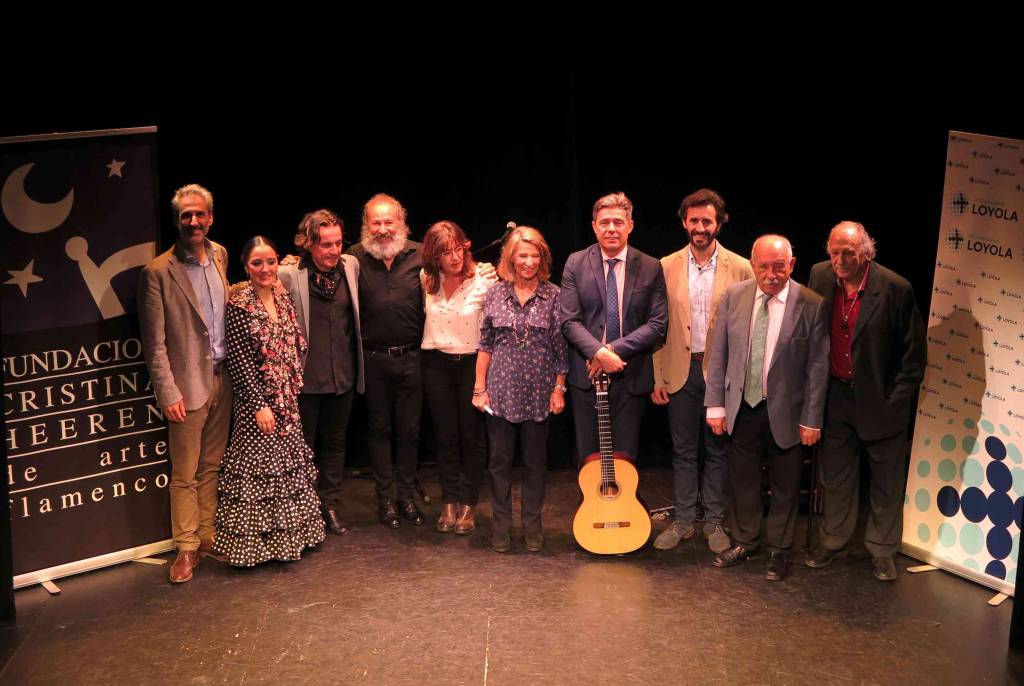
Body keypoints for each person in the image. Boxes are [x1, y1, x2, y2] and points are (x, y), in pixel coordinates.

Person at [804, 221, 926, 581]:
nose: (840, 260)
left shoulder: (894, 288)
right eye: (834, 252)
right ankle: (835, 540)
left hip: (880, 399)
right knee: (837, 476)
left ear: (866, 253)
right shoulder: (820, 275)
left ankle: (882, 550)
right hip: (836, 395)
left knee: (886, 480)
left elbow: (914, 357)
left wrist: (895, 401)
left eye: (849, 253)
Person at [705, 235, 829, 581]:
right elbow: (720, 354)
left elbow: (818, 368)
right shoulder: (735, 295)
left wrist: (812, 419)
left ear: (791, 264)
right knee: (742, 479)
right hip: (742, 405)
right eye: (764, 266)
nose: (771, 274)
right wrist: (715, 404)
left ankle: (779, 549)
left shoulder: (812, 303)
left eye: (779, 266)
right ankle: (746, 540)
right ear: (753, 264)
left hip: (788, 411)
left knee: (786, 483)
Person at [138, 183, 232, 583]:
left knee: (212, 465)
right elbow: (154, 342)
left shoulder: (221, 255)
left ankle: (208, 536)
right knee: (185, 472)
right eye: (186, 216)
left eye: (199, 214)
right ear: (177, 221)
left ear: (210, 217)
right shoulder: (158, 272)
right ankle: (186, 547)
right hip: (186, 386)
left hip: (222, 378)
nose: (193, 221)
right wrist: (168, 392)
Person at [651, 189, 753, 553]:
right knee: (682, 450)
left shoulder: (741, 267)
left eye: (706, 221)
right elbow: (657, 324)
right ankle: (683, 519)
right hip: (680, 369)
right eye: (693, 220)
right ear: (684, 223)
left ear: (719, 223)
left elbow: (746, 326)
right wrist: (657, 374)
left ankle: (713, 520)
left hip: (720, 374)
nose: (700, 227)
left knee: (717, 449)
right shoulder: (665, 265)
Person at [213, 236, 325, 566]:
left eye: (271, 261)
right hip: (257, 405)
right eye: (257, 263)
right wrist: (259, 404)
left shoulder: (282, 295)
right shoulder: (238, 306)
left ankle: (289, 538)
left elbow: (293, 344)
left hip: (287, 400)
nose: (266, 269)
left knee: (286, 469)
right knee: (259, 473)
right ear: (246, 267)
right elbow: (240, 362)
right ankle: (256, 548)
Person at [473, 227, 568, 553]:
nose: (528, 261)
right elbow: (485, 344)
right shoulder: (495, 294)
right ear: (510, 258)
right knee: (499, 464)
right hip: (499, 393)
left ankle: (532, 524)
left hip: (539, 394)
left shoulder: (554, 295)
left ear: (542, 258)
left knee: (535, 465)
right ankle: (500, 526)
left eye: (534, 255)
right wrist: (478, 388)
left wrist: (559, 389)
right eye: (522, 255)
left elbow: (560, 348)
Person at [560, 192, 667, 466]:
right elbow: (569, 320)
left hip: (630, 376)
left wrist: (609, 351)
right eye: (604, 222)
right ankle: (592, 510)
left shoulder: (651, 266)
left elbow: (657, 325)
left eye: (618, 222)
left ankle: (622, 510)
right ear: (594, 226)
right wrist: (596, 352)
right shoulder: (575, 263)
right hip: (587, 376)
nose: (611, 228)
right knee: (590, 460)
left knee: (624, 460)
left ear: (630, 225)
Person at [279, 209, 364, 536]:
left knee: (335, 443)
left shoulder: (350, 267)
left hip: (341, 374)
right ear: (309, 245)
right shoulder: (290, 274)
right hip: (306, 379)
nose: (333, 251)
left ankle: (328, 503)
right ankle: (303, 507)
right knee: (305, 445)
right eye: (325, 245)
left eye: (338, 243)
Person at [346, 193, 427, 528]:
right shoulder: (352, 258)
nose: (382, 229)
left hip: (414, 357)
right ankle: (386, 500)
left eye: (388, 221)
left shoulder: (422, 254)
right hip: (373, 360)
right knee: (379, 430)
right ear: (367, 225)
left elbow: (457, 274)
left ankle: (406, 497)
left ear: (401, 222)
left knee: (409, 431)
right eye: (375, 222)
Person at [420, 221, 496, 534]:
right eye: (445, 253)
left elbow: (492, 333)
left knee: (472, 438)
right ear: (433, 257)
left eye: (458, 249)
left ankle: (468, 503)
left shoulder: (484, 278)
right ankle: (448, 500)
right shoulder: (426, 279)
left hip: (471, 364)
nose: (454, 258)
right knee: (445, 436)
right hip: (436, 364)